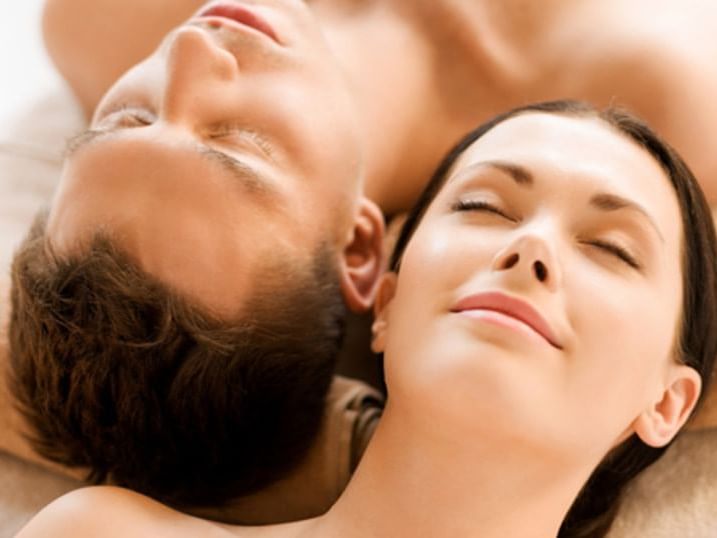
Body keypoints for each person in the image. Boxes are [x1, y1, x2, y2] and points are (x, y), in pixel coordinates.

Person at [6, 0, 717, 519]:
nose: (194, 51)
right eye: (239, 143)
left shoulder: (106, 19)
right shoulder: (668, 122)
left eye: (127, 120)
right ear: (366, 254)